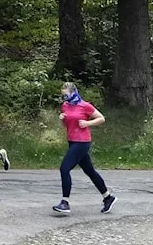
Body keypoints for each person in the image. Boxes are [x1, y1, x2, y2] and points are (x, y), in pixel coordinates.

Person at [52, 82, 116, 215]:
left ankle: (65, 202)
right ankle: (108, 197)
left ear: (73, 93)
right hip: (72, 140)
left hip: (82, 142)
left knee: (64, 168)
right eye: (62, 95)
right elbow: (68, 124)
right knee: (90, 171)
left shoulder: (85, 105)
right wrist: (62, 119)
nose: (64, 98)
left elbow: (101, 118)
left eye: (66, 95)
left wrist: (88, 123)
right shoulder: (65, 106)